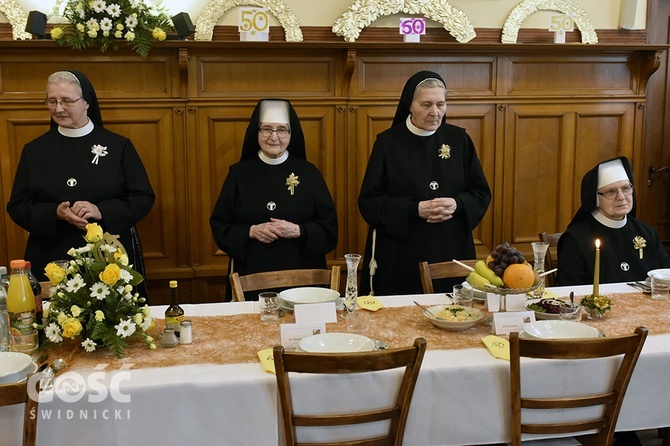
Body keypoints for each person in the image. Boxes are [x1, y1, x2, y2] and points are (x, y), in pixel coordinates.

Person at [7, 70, 155, 288]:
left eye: (66, 101)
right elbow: (18, 206)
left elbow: (143, 198)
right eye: (52, 101)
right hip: (52, 256)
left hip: (108, 257)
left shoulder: (118, 146)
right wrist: (54, 213)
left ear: (87, 102)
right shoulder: (34, 151)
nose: (58, 108)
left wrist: (100, 210)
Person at [358, 71, 491, 296]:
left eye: (441, 104)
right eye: (426, 104)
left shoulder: (460, 140)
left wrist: (457, 204)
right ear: (409, 105)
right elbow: (370, 202)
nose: (435, 112)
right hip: (401, 252)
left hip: (450, 248)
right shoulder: (387, 143)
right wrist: (415, 209)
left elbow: (480, 193)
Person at [210, 99, 338, 300]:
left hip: (302, 279)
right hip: (252, 276)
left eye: (282, 130)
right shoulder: (239, 174)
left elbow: (329, 229)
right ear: (256, 132)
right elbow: (220, 226)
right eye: (267, 129)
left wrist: (299, 231)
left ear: (291, 133)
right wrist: (251, 231)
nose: (274, 137)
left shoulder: (309, 173)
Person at [557, 156, 670, 286]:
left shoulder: (648, 233)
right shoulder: (575, 239)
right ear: (596, 199)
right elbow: (569, 292)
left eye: (626, 188)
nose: (621, 197)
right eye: (611, 191)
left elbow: (666, 276)